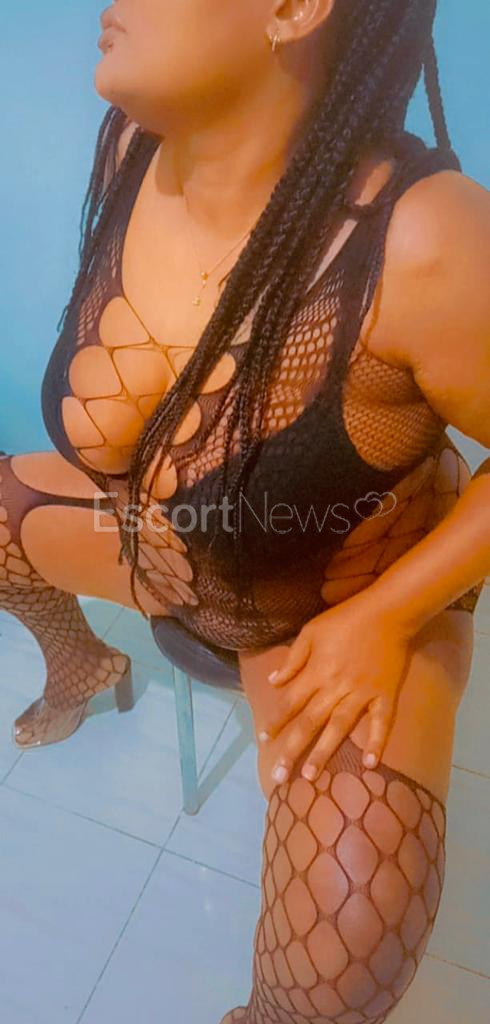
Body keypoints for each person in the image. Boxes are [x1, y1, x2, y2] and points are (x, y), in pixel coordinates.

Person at [1, 1, 489, 1020]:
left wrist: (385, 617)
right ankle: (81, 666)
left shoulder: (426, 238)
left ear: (292, 9)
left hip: (332, 608)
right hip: (168, 551)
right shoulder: (136, 143)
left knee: (341, 956)